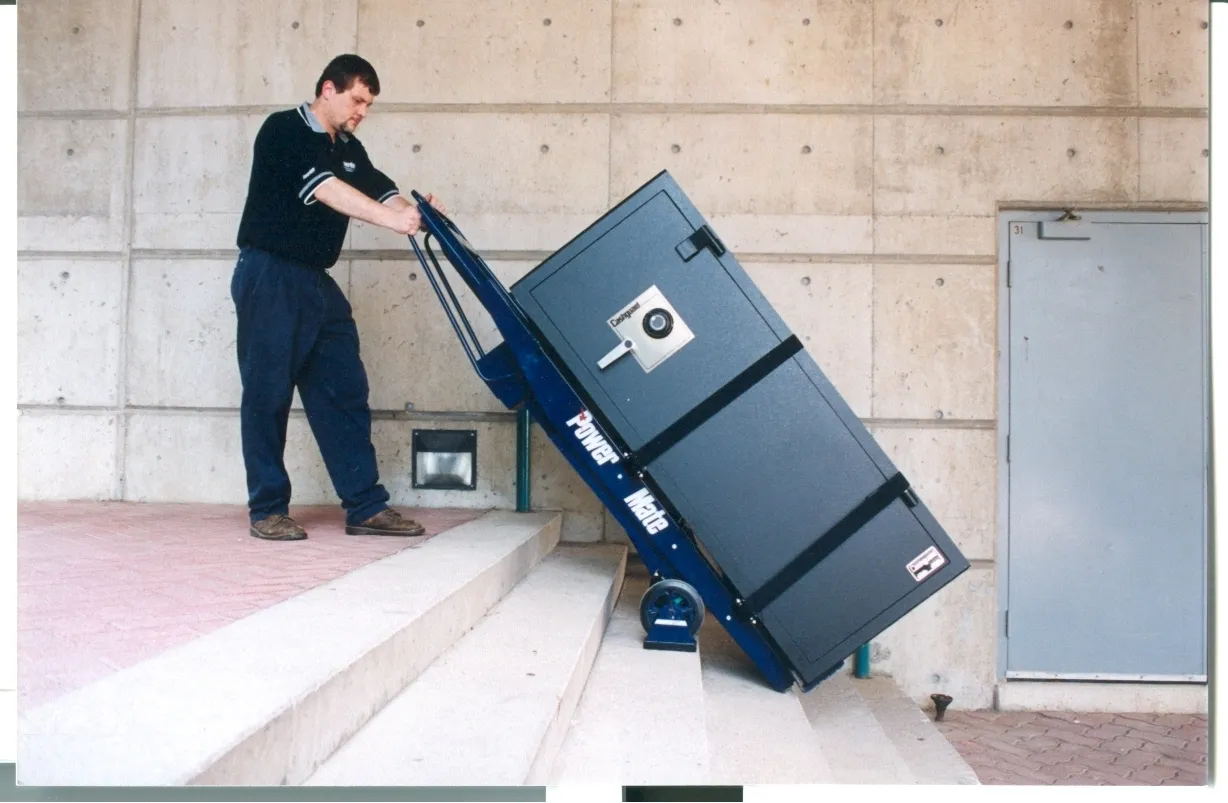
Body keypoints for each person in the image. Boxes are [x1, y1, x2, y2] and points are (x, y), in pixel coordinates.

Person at [231, 54, 443, 541]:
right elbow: (324, 189)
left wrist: (416, 213)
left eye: (368, 104)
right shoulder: (283, 130)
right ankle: (267, 509)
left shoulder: (349, 147)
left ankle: (365, 507)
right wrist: (393, 221)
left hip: (314, 282)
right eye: (357, 99)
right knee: (267, 394)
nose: (362, 111)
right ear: (329, 88)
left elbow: (381, 190)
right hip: (269, 273)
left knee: (344, 389)